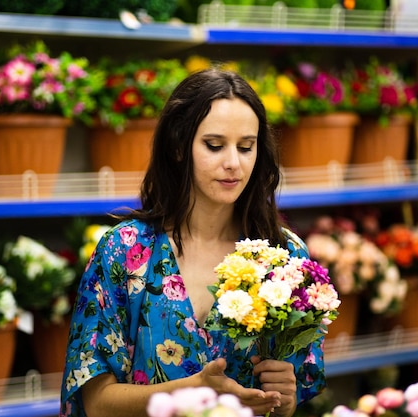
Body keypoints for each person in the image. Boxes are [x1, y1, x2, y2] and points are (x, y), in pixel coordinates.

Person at [60, 68, 326, 417]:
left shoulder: (284, 257)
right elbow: (96, 403)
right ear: (177, 147)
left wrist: (284, 398)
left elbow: (284, 403)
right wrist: (195, 389)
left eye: (246, 147)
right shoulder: (124, 251)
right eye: (214, 146)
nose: (233, 163)